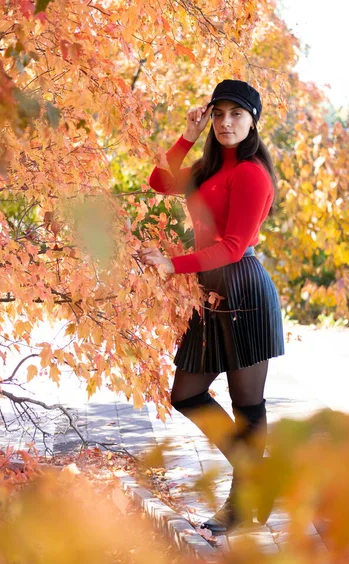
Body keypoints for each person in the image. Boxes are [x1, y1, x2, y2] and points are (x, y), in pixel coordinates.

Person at [139, 79, 285, 534]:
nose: (225, 122)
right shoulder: (206, 169)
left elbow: (234, 245)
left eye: (236, 114)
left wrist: (171, 265)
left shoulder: (252, 174)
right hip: (207, 293)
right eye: (218, 114)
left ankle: (240, 505)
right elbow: (159, 180)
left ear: (252, 120)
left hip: (243, 291)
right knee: (185, 394)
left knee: (248, 405)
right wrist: (186, 134)